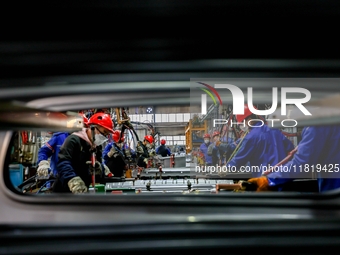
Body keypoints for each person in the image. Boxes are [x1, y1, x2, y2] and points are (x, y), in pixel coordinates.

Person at [247, 125, 340, 193]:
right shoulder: (274, 131)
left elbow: (301, 163)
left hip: (334, 190)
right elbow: (290, 146)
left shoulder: (317, 125)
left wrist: (269, 180)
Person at [221, 105, 295, 178]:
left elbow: (241, 158)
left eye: (242, 122)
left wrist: (227, 168)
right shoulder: (274, 130)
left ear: (250, 119)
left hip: (266, 179)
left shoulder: (251, 137)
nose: (241, 126)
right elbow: (290, 148)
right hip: (283, 176)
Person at [54, 112, 114, 193]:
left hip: (84, 189)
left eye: (107, 134)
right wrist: (73, 181)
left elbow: (99, 165)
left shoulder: (96, 146)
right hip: (65, 191)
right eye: (104, 132)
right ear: (93, 127)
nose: (104, 136)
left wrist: (100, 169)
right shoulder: (73, 140)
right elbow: (63, 163)